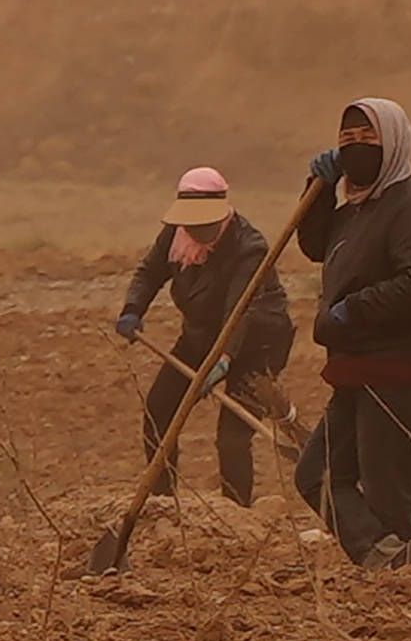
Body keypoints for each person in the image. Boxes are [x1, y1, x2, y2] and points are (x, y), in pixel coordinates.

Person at [289, 96, 411, 569]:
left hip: (406, 371)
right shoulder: (356, 207)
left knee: (387, 493)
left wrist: (351, 312)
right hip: (358, 369)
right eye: (347, 140)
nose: (356, 149)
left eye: (369, 139)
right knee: (316, 475)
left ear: (394, 143)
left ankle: (406, 584)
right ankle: (386, 558)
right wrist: (320, 191)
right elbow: (317, 245)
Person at [106, 164, 295, 506]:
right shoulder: (175, 235)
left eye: (205, 223)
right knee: (159, 410)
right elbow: (149, 273)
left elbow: (239, 312)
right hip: (200, 337)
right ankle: (162, 502)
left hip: (257, 343)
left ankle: (237, 514)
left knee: (232, 437)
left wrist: (223, 359)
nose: (198, 230)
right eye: (192, 223)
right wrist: (133, 309)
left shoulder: (249, 247)